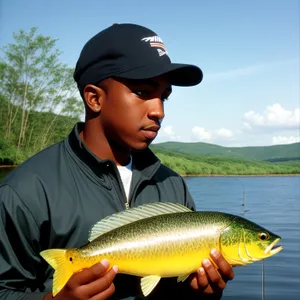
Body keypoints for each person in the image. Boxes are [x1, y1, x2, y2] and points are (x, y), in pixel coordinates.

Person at [0, 23, 234, 299]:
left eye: (164, 97)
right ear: (94, 98)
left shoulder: (172, 185)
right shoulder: (27, 191)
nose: (158, 111)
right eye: (143, 92)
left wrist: (205, 293)